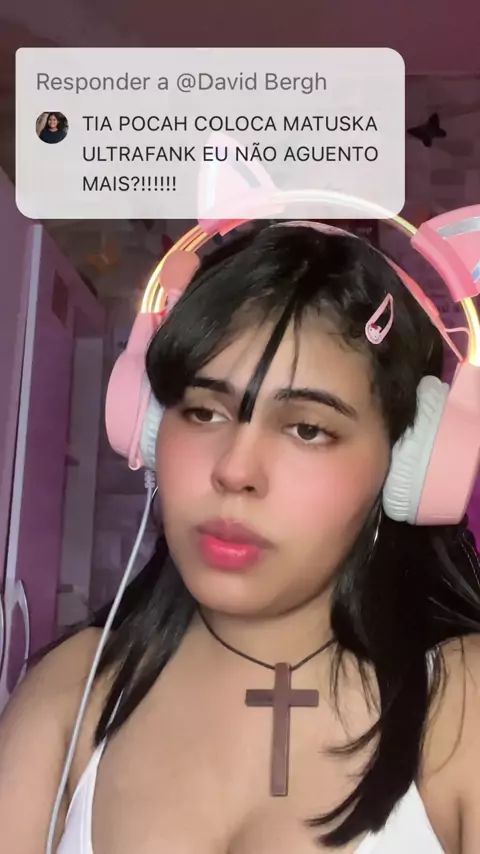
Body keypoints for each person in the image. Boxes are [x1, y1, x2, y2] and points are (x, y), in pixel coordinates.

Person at [1, 221, 480, 854]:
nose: (234, 470)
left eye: (308, 429)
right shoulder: (75, 689)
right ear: (149, 428)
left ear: (409, 466)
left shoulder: (462, 705)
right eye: (203, 412)